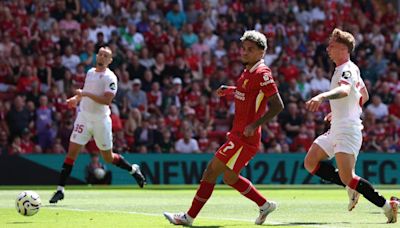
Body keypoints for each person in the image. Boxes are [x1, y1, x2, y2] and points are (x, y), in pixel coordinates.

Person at [163, 30, 284, 226]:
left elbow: (278, 105)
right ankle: (264, 205)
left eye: (250, 49)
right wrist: (231, 90)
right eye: (243, 48)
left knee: (211, 171)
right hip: (239, 134)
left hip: (244, 138)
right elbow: (249, 93)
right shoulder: (248, 71)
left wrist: (255, 125)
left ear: (262, 53)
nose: (244, 52)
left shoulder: (263, 74)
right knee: (229, 177)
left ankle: (189, 217)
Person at [304, 28, 398, 223]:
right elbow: (363, 95)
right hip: (338, 125)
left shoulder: (346, 69)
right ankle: (351, 186)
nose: (328, 48)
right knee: (310, 161)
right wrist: (339, 111)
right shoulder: (350, 68)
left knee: (348, 177)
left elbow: (346, 90)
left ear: (344, 49)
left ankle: (387, 206)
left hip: (347, 130)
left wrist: (322, 97)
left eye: (332, 45)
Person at [49, 47, 146, 204]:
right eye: (100, 54)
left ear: (110, 60)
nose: (102, 57)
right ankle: (60, 190)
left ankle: (133, 170)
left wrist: (85, 94)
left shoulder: (110, 78)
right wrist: (76, 99)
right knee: (71, 153)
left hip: (101, 120)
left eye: (105, 55)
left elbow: (106, 100)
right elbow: (85, 92)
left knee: (108, 158)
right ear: (96, 56)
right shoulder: (90, 73)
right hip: (84, 117)